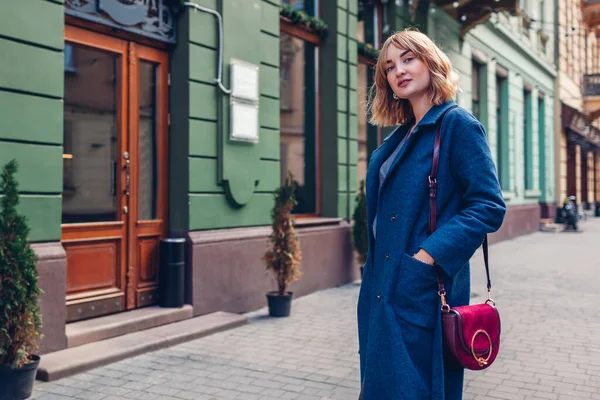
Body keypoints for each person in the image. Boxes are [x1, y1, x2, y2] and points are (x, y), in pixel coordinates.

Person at [357, 29, 506, 399]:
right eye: (390, 67)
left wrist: (427, 258)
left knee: (416, 388)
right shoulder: (400, 136)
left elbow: (488, 205)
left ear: (431, 62)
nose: (399, 71)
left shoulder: (457, 125)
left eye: (409, 59)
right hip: (382, 287)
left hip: (421, 287)